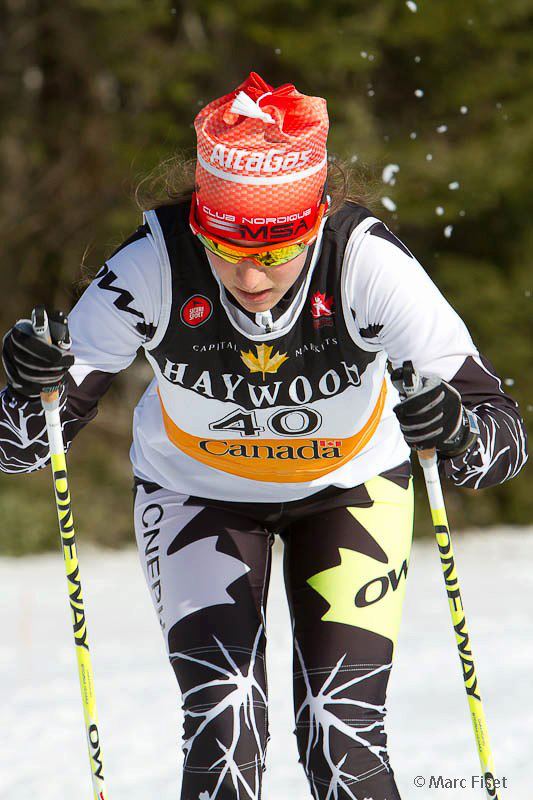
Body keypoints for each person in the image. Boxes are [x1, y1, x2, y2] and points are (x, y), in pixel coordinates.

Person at [1, 72, 527, 800]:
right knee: (225, 726)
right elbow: (26, 445)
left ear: (313, 223)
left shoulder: (366, 264)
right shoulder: (153, 263)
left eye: (279, 250)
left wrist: (454, 431)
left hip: (349, 488)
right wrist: (29, 386)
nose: (252, 275)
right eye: (227, 244)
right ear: (198, 224)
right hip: (196, 493)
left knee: (341, 733)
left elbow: (502, 440)